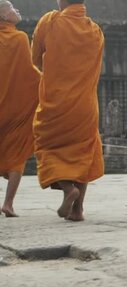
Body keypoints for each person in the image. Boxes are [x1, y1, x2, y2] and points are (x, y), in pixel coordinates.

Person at [32, 0, 105, 222]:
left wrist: (54, 72)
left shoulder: (51, 21)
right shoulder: (95, 31)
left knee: (47, 145)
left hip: (56, 101)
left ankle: (66, 187)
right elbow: (96, 66)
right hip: (85, 105)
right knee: (84, 151)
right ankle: (78, 210)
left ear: (61, 1)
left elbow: (35, 59)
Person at [0, 0, 41, 217]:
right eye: (12, 8)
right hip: (15, 109)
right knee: (16, 155)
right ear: (4, 17)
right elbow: (28, 72)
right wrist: (47, 81)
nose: (17, 10)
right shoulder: (19, 38)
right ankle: (8, 203)